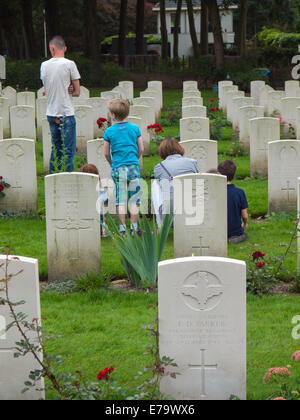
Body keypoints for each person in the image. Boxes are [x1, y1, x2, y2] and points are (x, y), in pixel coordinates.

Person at [40, 35, 81, 174]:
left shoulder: (44, 65)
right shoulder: (70, 64)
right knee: (68, 150)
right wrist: (70, 88)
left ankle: (54, 178)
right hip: (66, 113)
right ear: (65, 48)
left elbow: (47, 88)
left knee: (56, 148)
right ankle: (67, 178)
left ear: (52, 48)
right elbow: (77, 92)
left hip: (51, 113)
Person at [103, 98, 144, 235]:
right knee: (134, 198)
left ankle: (122, 228)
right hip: (133, 165)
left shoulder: (109, 132)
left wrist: (112, 164)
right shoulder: (135, 129)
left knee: (120, 198)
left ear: (113, 115)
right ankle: (134, 227)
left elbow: (106, 153)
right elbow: (141, 149)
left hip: (118, 167)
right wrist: (135, 160)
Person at [153, 138, 200, 227]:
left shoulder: (159, 167)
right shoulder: (193, 162)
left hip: (169, 216)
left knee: (155, 184)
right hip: (195, 212)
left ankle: (160, 226)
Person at [217, 160, 249, 244]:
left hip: (217, 231)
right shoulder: (239, 192)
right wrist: (245, 224)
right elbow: (245, 216)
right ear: (234, 175)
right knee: (243, 235)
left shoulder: (214, 192)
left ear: (218, 174)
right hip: (236, 232)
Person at [79, 163, 109, 237]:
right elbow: (106, 203)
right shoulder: (101, 191)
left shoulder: (80, 191)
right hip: (98, 222)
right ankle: (102, 229)